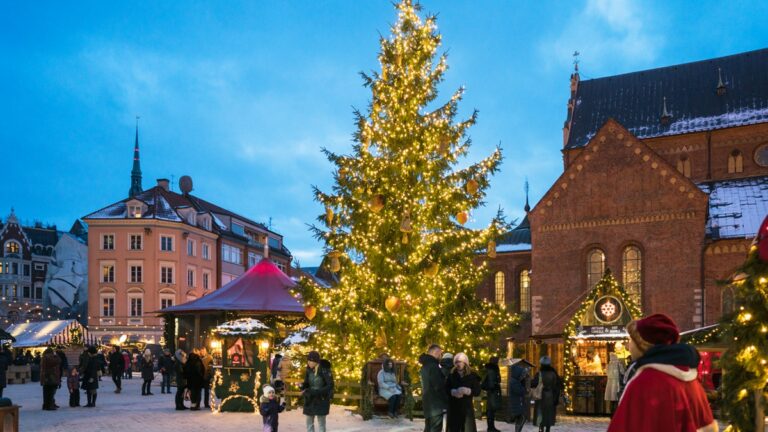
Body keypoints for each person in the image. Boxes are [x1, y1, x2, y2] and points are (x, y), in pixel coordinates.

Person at [607, 314, 717, 432]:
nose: (629, 346)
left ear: (643, 344)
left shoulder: (645, 382)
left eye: (631, 340)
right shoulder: (692, 380)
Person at [446, 352, 481, 432]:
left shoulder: (472, 375)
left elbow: (477, 391)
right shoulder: (451, 375)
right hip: (454, 408)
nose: (458, 364)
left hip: (467, 408)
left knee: (467, 429)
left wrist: (468, 391)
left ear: (465, 363)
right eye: (456, 362)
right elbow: (446, 388)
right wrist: (453, 392)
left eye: (460, 362)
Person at [300, 350, 334, 432]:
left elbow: (330, 385)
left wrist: (318, 392)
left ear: (316, 361)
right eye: (308, 361)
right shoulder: (308, 370)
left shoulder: (324, 370)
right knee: (309, 421)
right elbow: (306, 382)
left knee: (321, 423)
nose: (309, 363)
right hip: (310, 398)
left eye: (311, 361)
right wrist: (303, 386)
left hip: (321, 399)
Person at [419, 344, 448, 432]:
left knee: (428, 428)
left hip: (428, 403)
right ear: (435, 352)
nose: (441, 356)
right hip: (436, 404)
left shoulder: (425, 366)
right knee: (435, 429)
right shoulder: (433, 366)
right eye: (440, 354)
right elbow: (438, 385)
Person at [531, 356, 561, 432]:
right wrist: (556, 398)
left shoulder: (539, 373)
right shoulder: (553, 373)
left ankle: (541, 428)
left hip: (541, 396)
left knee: (540, 412)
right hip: (550, 396)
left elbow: (534, 384)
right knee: (549, 413)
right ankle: (548, 429)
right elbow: (556, 386)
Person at [507, 360, 531, 432]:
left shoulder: (515, 381)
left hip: (517, 402)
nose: (522, 376)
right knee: (522, 417)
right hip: (516, 403)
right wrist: (525, 389)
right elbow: (520, 391)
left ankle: (517, 430)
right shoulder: (514, 382)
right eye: (521, 374)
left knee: (520, 418)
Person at [481, 356, 502, 432]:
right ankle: (491, 428)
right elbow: (493, 382)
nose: (498, 362)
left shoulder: (490, 369)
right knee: (491, 410)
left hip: (490, 392)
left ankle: (491, 427)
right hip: (493, 392)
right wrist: (495, 385)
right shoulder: (493, 370)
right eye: (498, 360)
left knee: (490, 410)